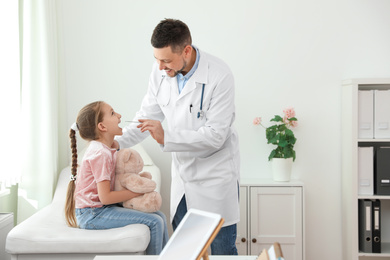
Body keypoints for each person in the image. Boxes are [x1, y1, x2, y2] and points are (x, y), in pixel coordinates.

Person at [114, 18, 240, 255]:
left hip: (214, 180)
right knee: (185, 251)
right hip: (182, 181)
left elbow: (216, 136)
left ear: (187, 50)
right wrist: (113, 143)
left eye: (166, 60)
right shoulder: (160, 71)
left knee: (222, 252)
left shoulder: (219, 75)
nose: (161, 66)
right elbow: (145, 117)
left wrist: (166, 137)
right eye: (157, 59)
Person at [64, 101, 168, 255]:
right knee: (155, 222)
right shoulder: (101, 154)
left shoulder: (106, 149)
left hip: (98, 210)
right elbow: (105, 197)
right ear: (102, 127)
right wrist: (138, 193)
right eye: (113, 113)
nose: (119, 116)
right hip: (92, 214)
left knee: (160, 216)